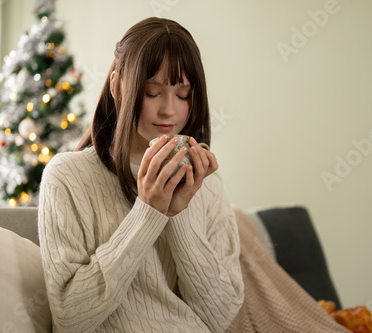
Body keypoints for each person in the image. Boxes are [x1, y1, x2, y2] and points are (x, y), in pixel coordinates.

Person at [38, 17, 244, 332]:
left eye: (183, 94)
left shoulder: (207, 186)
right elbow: (70, 318)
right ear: (118, 85)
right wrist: (148, 212)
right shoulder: (68, 177)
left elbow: (221, 316)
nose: (169, 111)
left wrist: (179, 210)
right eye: (152, 92)